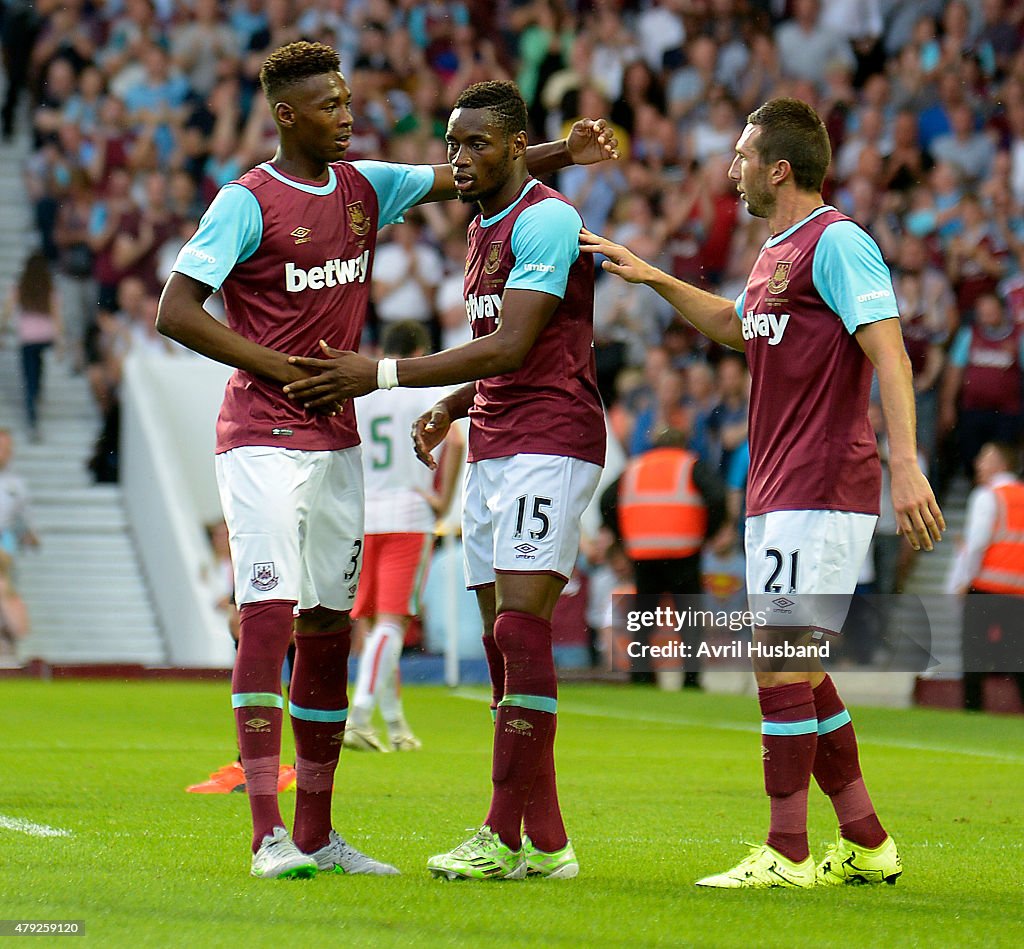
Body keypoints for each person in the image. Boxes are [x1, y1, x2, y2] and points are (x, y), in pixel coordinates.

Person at [155, 42, 617, 881]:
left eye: (346, 100)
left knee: (330, 624)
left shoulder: (368, 185)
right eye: (329, 105)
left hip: (336, 440)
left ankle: (316, 835)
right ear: (287, 115)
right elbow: (174, 310)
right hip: (260, 433)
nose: (347, 114)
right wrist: (277, 367)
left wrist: (561, 153)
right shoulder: (246, 201)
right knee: (268, 612)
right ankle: (266, 836)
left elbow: (469, 175)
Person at [581, 97, 944, 889]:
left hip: (819, 481)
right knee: (801, 667)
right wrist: (650, 276)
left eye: (742, 155)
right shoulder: (775, 251)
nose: (731, 167)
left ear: (778, 167)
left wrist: (905, 461)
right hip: (778, 487)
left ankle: (786, 853)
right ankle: (868, 841)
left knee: (778, 663)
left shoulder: (839, 242)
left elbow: (891, 354)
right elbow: (737, 324)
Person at [284, 80, 610, 882]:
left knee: (522, 633)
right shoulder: (481, 226)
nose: (459, 159)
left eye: (475, 144)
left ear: (514, 143)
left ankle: (500, 834)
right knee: (508, 654)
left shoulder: (547, 217)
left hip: (551, 436)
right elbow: (501, 353)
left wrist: (387, 376)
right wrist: (454, 407)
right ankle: (551, 841)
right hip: (497, 437)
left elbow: (516, 344)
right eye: (452, 144)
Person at [345, 320, 464, 753]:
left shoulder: (362, 393)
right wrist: (443, 502)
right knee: (393, 623)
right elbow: (456, 443)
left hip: (363, 513)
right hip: (408, 513)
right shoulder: (426, 390)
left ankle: (394, 724)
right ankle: (358, 715)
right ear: (420, 349)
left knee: (376, 626)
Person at [599, 426, 726, 688]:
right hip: (684, 551)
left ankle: (641, 674)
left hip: (644, 552)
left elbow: (606, 500)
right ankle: (691, 679)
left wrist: (624, 535)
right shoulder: (689, 464)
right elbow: (718, 497)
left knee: (644, 618)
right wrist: (707, 532)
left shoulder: (634, 467)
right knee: (689, 618)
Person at [947, 442, 1024, 712]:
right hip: (1018, 592)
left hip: (986, 586)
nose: (978, 463)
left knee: (974, 654)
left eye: (985, 458)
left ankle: (973, 709)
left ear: (1001, 464)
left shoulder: (987, 495)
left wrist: (962, 580)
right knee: (1017, 656)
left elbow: (977, 542)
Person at [0, 251, 64, 442]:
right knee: (37, 370)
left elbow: (7, 312)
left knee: (29, 376)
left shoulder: (21, 287)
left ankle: (32, 416)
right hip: (45, 337)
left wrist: (2, 331)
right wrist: (61, 342)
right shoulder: (49, 288)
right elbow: (57, 317)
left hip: (27, 338)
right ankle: (37, 396)